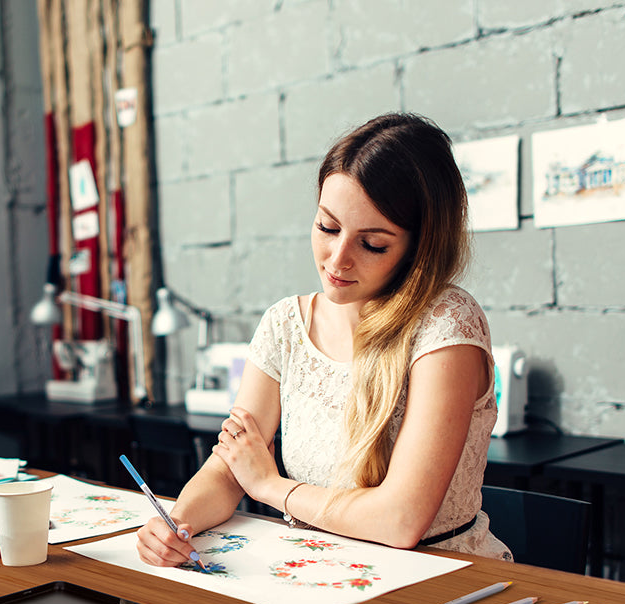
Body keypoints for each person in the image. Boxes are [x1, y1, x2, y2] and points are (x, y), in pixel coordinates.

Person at [137, 112, 512, 566]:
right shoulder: (284, 324)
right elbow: (230, 467)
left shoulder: (446, 323)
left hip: (437, 580)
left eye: (372, 244)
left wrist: (270, 487)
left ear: (419, 249)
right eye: (327, 227)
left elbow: (401, 521)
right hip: (314, 570)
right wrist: (176, 524)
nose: (338, 258)